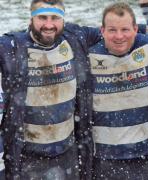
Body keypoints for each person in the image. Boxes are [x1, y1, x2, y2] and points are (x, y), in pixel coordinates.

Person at [0, 0, 103, 179]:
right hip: (25, 157)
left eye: (55, 17)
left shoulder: (76, 37)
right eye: (42, 17)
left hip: (68, 154)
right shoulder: (11, 46)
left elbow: (116, 31)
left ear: (63, 19)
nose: (49, 25)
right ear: (31, 19)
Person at [88, 2, 148, 180]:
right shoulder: (86, 52)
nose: (119, 36)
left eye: (125, 30)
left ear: (135, 29)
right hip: (102, 161)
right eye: (112, 30)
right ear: (102, 31)